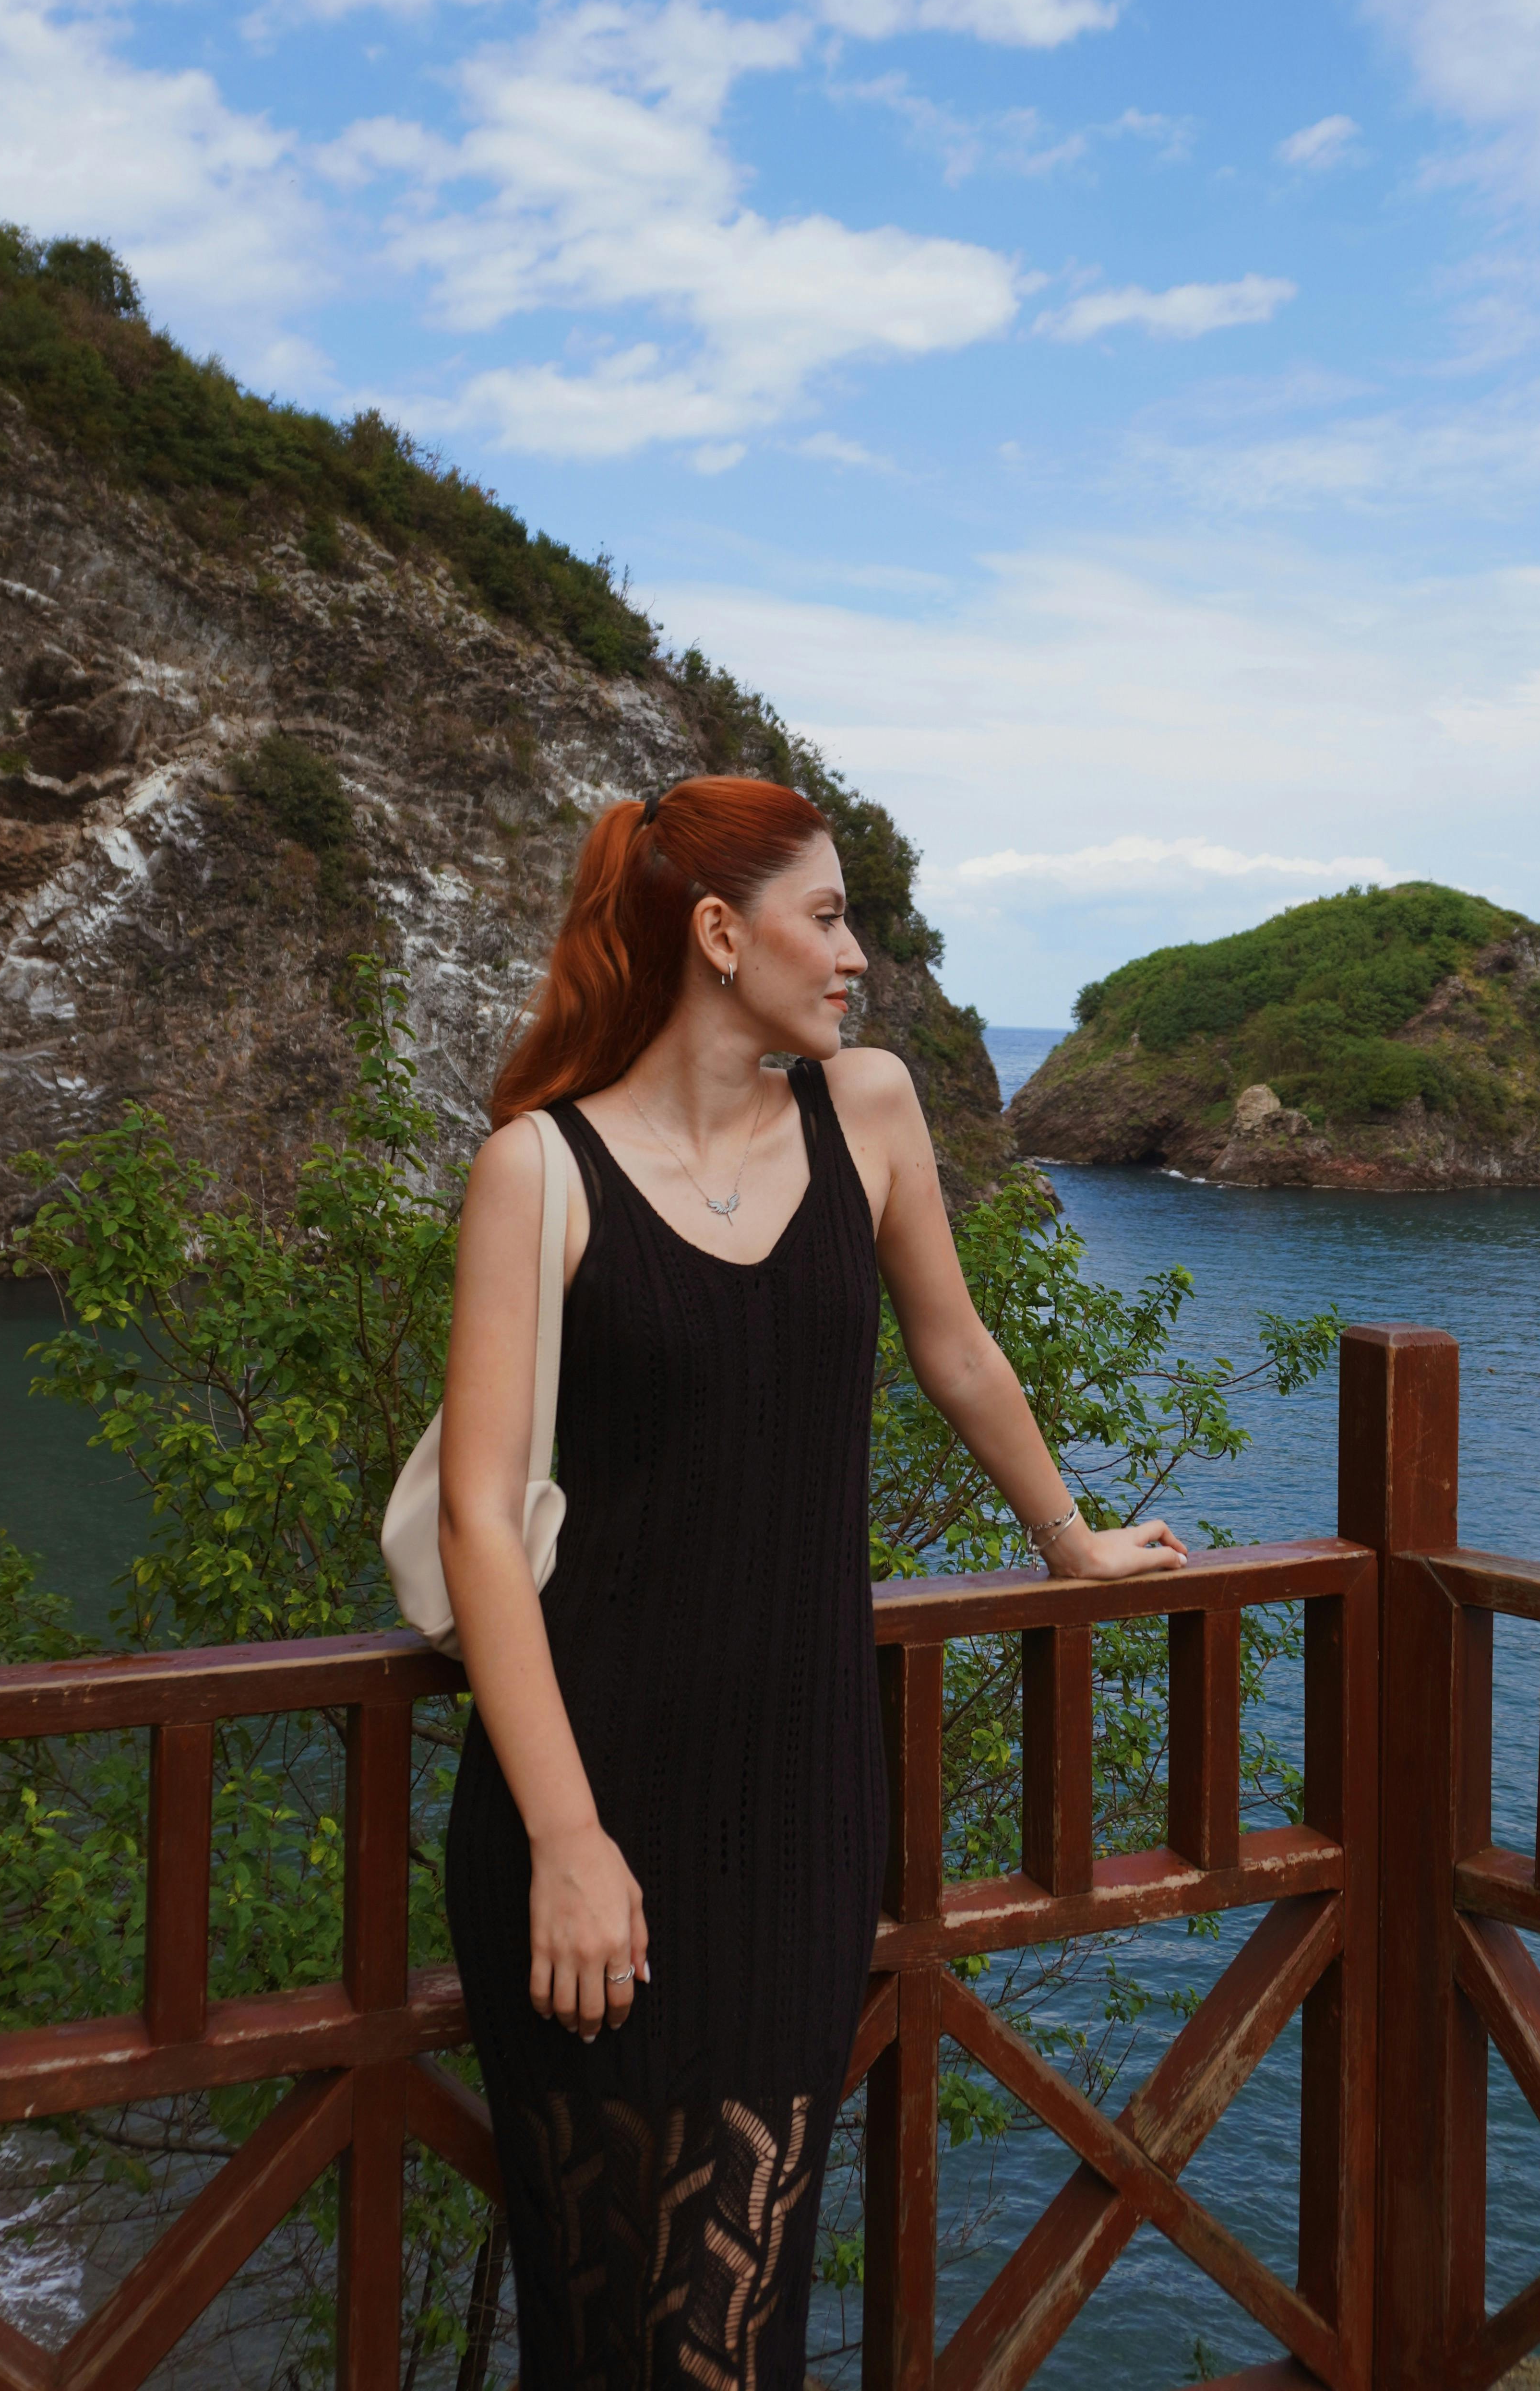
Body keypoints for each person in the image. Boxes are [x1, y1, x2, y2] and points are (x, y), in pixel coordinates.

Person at [440, 777, 1187, 2389]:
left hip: (797, 1811)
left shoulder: (871, 1113)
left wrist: (1068, 1538)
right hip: (585, 1812)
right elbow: (481, 1524)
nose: (859, 956)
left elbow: (956, 1346)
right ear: (721, 934)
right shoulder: (542, 1173)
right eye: (831, 916)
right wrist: (568, 1845)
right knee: (601, 2339)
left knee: (730, 2331)